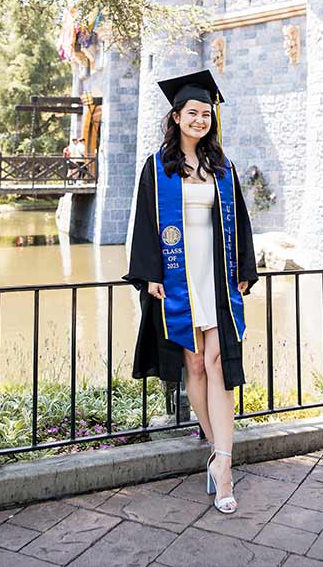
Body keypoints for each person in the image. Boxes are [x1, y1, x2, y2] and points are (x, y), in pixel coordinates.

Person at [124, 69, 258, 514]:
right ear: (177, 117)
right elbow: (145, 223)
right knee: (196, 366)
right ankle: (218, 449)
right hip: (180, 277)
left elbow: (240, 219)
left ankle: (224, 466)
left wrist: (244, 268)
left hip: (216, 276)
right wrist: (150, 275)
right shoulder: (157, 167)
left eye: (206, 114)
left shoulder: (222, 167)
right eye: (192, 113)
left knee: (220, 362)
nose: (200, 120)